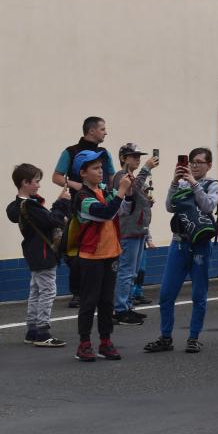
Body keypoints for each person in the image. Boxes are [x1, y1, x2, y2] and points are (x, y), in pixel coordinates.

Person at [144, 147, 218, 355]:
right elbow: (170, 206)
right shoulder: (182, 183)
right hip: (179, 243)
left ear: (209, 165)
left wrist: (195, 184)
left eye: (199, 162)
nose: (194, 165)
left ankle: (194, 337)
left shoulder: (213, 185)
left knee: (199, 294)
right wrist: (174, 182)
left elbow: (207, 207)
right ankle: (165, 337)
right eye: (192, 162)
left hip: (201, 245)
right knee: (166, 293)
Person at [71, 149, 134, 362]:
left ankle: (106, 341)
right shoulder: (81, 197)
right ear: (82, 173)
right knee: (89, 301)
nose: (100, 172)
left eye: (101, 167)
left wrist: (129, 193)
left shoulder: (104, 191)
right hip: (91, 256)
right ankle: (84, 343)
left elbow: (121, 211)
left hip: (111, 253)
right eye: (95, 168)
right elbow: (105, 213)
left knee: (107, 301)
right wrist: (121, 192)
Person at [52, 116, 114, 308]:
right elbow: (56, 177)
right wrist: (78, 186)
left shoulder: (104, 153)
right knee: (75, 251)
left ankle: (99, 290)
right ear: (91, 131)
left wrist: (107, 193)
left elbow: (111, 178)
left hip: (101, 205)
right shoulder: (70, 151)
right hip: (77, 207)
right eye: (103, 129)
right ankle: (78, 293)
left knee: (100, 246)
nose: (106, 132)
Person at [7, 164, 67, 347]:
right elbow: (52, 220)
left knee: (35, 291)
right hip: (43, 253)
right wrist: (62, 203)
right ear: (25, 183)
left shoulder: (18, 206)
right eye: (36, 182)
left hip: (33, 253)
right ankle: (42, 332)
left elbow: (43, 218)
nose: (39, 185)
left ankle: (32, 330)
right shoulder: (31, 206)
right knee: (48, 291)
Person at [114, 144, 157, 325]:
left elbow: (137, 192)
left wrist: (147, 201)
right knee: (126, 271)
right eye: (133, 156)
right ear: (124, 158)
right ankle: (121, 309)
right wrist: (146, 169)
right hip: (128, 231)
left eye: (139, 156)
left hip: (139, 230)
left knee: (133, 272)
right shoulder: (120, 176)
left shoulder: (135, 176)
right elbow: (130, 188)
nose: (138, 159)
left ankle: (128, 305)